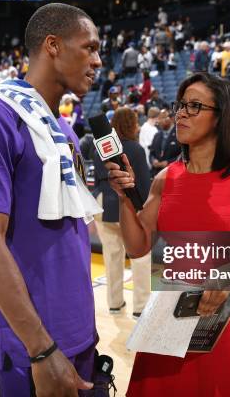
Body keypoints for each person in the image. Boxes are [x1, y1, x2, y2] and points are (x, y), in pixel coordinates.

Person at [105, 72, 230, 396]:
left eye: (194, 106)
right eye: (181, 105)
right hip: (171, 313)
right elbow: (138, 246)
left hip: (228, 321)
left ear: (222, 117)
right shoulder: (166, 178)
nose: (181, 113)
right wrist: (123, 198)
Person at [0, 3, 103, 397]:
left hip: (77, 333)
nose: (98, 60)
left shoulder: (63, 130)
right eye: (89, 47)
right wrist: (42, 350)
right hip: (32, 348)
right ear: (52, 45)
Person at [93, 108, 151, 318]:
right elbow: (143, 184)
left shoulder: (100, 147)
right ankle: (141, 307)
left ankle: (115, 304)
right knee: (140, 257)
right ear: (131, 124)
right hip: (126, 205)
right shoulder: (135, 149)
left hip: (101, 203)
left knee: (112, 257)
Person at [149, 108, 181, 177]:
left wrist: (168, 163)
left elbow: (183, 155)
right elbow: (152, 152)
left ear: (171, 119)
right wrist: (153, 160)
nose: (159, 121)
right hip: (156, 174)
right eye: (159, 118)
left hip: (173, 174)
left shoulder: (179, 134)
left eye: (162, 118)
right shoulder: (157, 135)